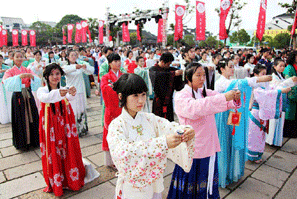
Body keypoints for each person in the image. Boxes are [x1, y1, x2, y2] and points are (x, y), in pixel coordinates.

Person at [107, 73, 195, 199]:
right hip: (134, 186)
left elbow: (169, 127)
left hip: (154, 181)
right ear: (121, 96)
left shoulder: (149, 119)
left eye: (143, 94)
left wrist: (186, 130)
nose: (141, 100)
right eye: (135, 95)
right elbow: (123, 153)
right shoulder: (117, 126)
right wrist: (162, 143)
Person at [167, 62, 241, 199]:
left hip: (208, 143)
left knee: (206, 179)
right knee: (191, 182)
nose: (202, 79)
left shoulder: (204, 92)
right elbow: (198, 108)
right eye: (198, 75)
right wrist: (225, 97)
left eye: (203, 75)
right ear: (188, 77)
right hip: (194, 147)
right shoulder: (181, 96)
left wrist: (233, 98)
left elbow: (219, 101)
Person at [37, 63, 99, 197]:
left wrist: (71, 93)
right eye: (52, 74)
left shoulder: (64, 88)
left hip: (65, 124)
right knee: (54, 150)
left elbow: (69, 98)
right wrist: (60, 93)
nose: (55, 77)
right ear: (46, 77)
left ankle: (70, 179)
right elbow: (46, 98)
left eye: (57, 74)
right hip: (51, 126)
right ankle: (57, 181)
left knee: (67, 148)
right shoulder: (42, 90)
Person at [214, 59, 272, 188]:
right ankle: (224, 174)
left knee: (233, 143)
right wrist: (258, 79)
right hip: (224, 116)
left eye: (233, 66)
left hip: (234, 115)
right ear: (222, 69)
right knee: (226, 144)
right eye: (230, 66)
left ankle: (233, 171)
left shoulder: (232, 81)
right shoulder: (221, 83)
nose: (232, 69)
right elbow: (241, 82)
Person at [247, 64, 292, 163]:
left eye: (265, 73)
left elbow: (271, 90)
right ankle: (252, 155)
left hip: (261, 112)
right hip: (255, 112)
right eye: (262, 74)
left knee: (261, 135)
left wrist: (284, 86)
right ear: (256, 74)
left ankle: (258, 153)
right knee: (254, 135)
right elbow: (265, 94)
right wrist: (280, 91)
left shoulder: (265, 84)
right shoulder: (254, 85)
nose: (265, 76)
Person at [2, 51, 41, 149]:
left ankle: (34, 141)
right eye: (17, 57)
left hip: (28, 94)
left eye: (21, 57)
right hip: (18, 96)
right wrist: (18, 77)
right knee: (20, 118)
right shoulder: (9, 71)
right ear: (13, 59)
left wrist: (31, 77)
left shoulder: (27, 69)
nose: (19, 59)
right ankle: (22, 143)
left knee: (33, 115)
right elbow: (5, 82)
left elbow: (37, 79)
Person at [62, 50, 94, 137]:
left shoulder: (80, 65)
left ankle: (82, 128)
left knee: (81, 110)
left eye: (75, 55)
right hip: (71, 92)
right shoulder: (66, 66)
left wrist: (85, 67)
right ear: (68, 57)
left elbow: (91, 70)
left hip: (80, 90)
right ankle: (72, 129)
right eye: (71, 55)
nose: (73, 56)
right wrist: (76, 66)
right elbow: (65, 71)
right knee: (73, 110)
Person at [266, 58, 297, 146]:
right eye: (280, 66)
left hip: (281, 101)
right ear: (275, 67)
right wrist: (290, 81)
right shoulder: (273, 77)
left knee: (280, 120)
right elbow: (278, 86)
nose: (282, 68)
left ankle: (277, 141)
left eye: (283, 66)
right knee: (274, 121)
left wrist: (292, 82)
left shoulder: (281, 76)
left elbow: (284, 84)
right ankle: (271, 140)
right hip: (275, 101)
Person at [100, 53, 124, 167]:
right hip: (111, 109)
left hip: (123, 108)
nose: (118, 63)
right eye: (115, 61)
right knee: (112, 132)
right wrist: (115, 88)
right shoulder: (106, 77)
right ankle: (113, 160)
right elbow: (104, 90)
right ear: (110, 64)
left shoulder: (123, 75)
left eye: (119, 61)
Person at [149, 52, 184, 121]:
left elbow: (179, 86)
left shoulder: (170, 70)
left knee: (169, 122)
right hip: (158, 100)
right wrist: (173, 74)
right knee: (158, 121)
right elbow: (158, 76)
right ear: (162, 62)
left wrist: (179, 73)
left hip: (169, 100)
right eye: (168, 64)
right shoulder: (153, 70)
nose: (169, 66)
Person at [283, 51, 297, 138]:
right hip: (290, 94)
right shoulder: (289, 68)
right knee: (289, 115)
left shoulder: (294, 67)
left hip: (294, 92)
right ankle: (288, 133)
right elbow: (288, 82)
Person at [0, 54, 12, 124]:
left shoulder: (6, 67)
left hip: (5, 84)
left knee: (7, 100)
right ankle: (0, 117)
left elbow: (10, 71)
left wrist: (5, 70)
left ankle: (8, 116)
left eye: (1, 58)